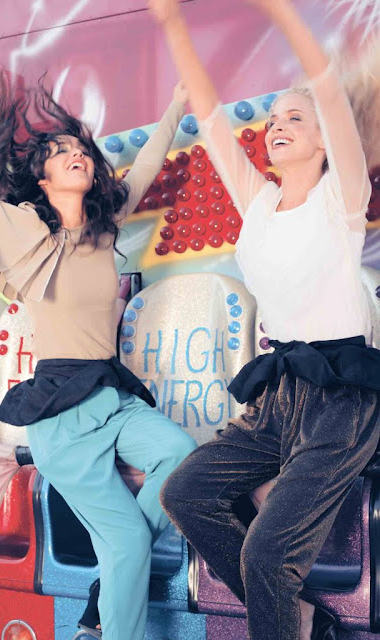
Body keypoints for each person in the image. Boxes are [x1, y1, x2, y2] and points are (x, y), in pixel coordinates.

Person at [148, 1, 380, 639]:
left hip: (340, 401)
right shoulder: (258, 202)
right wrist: (172, 24)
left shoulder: (342, 196)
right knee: (185, 493)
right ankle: (295, 615)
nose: (278, 125)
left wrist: (279, 10)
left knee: (268, 555)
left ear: (325, 140)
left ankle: (287, 615)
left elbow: (326, 84)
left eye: (295, 118)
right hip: (277, 394)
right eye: (273, 119)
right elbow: (208, 114)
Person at [0, 77, 196, 640]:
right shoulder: (21, 231)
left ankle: (107, 585)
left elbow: (147, 164)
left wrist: (178, 102)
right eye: (62, 152)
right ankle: (112, 603)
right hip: (61, 416)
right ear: (42, 179)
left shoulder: (103, 227)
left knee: (181, 457)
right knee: (128, 542)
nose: (78, 155)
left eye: (81, 149)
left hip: (114, 398)